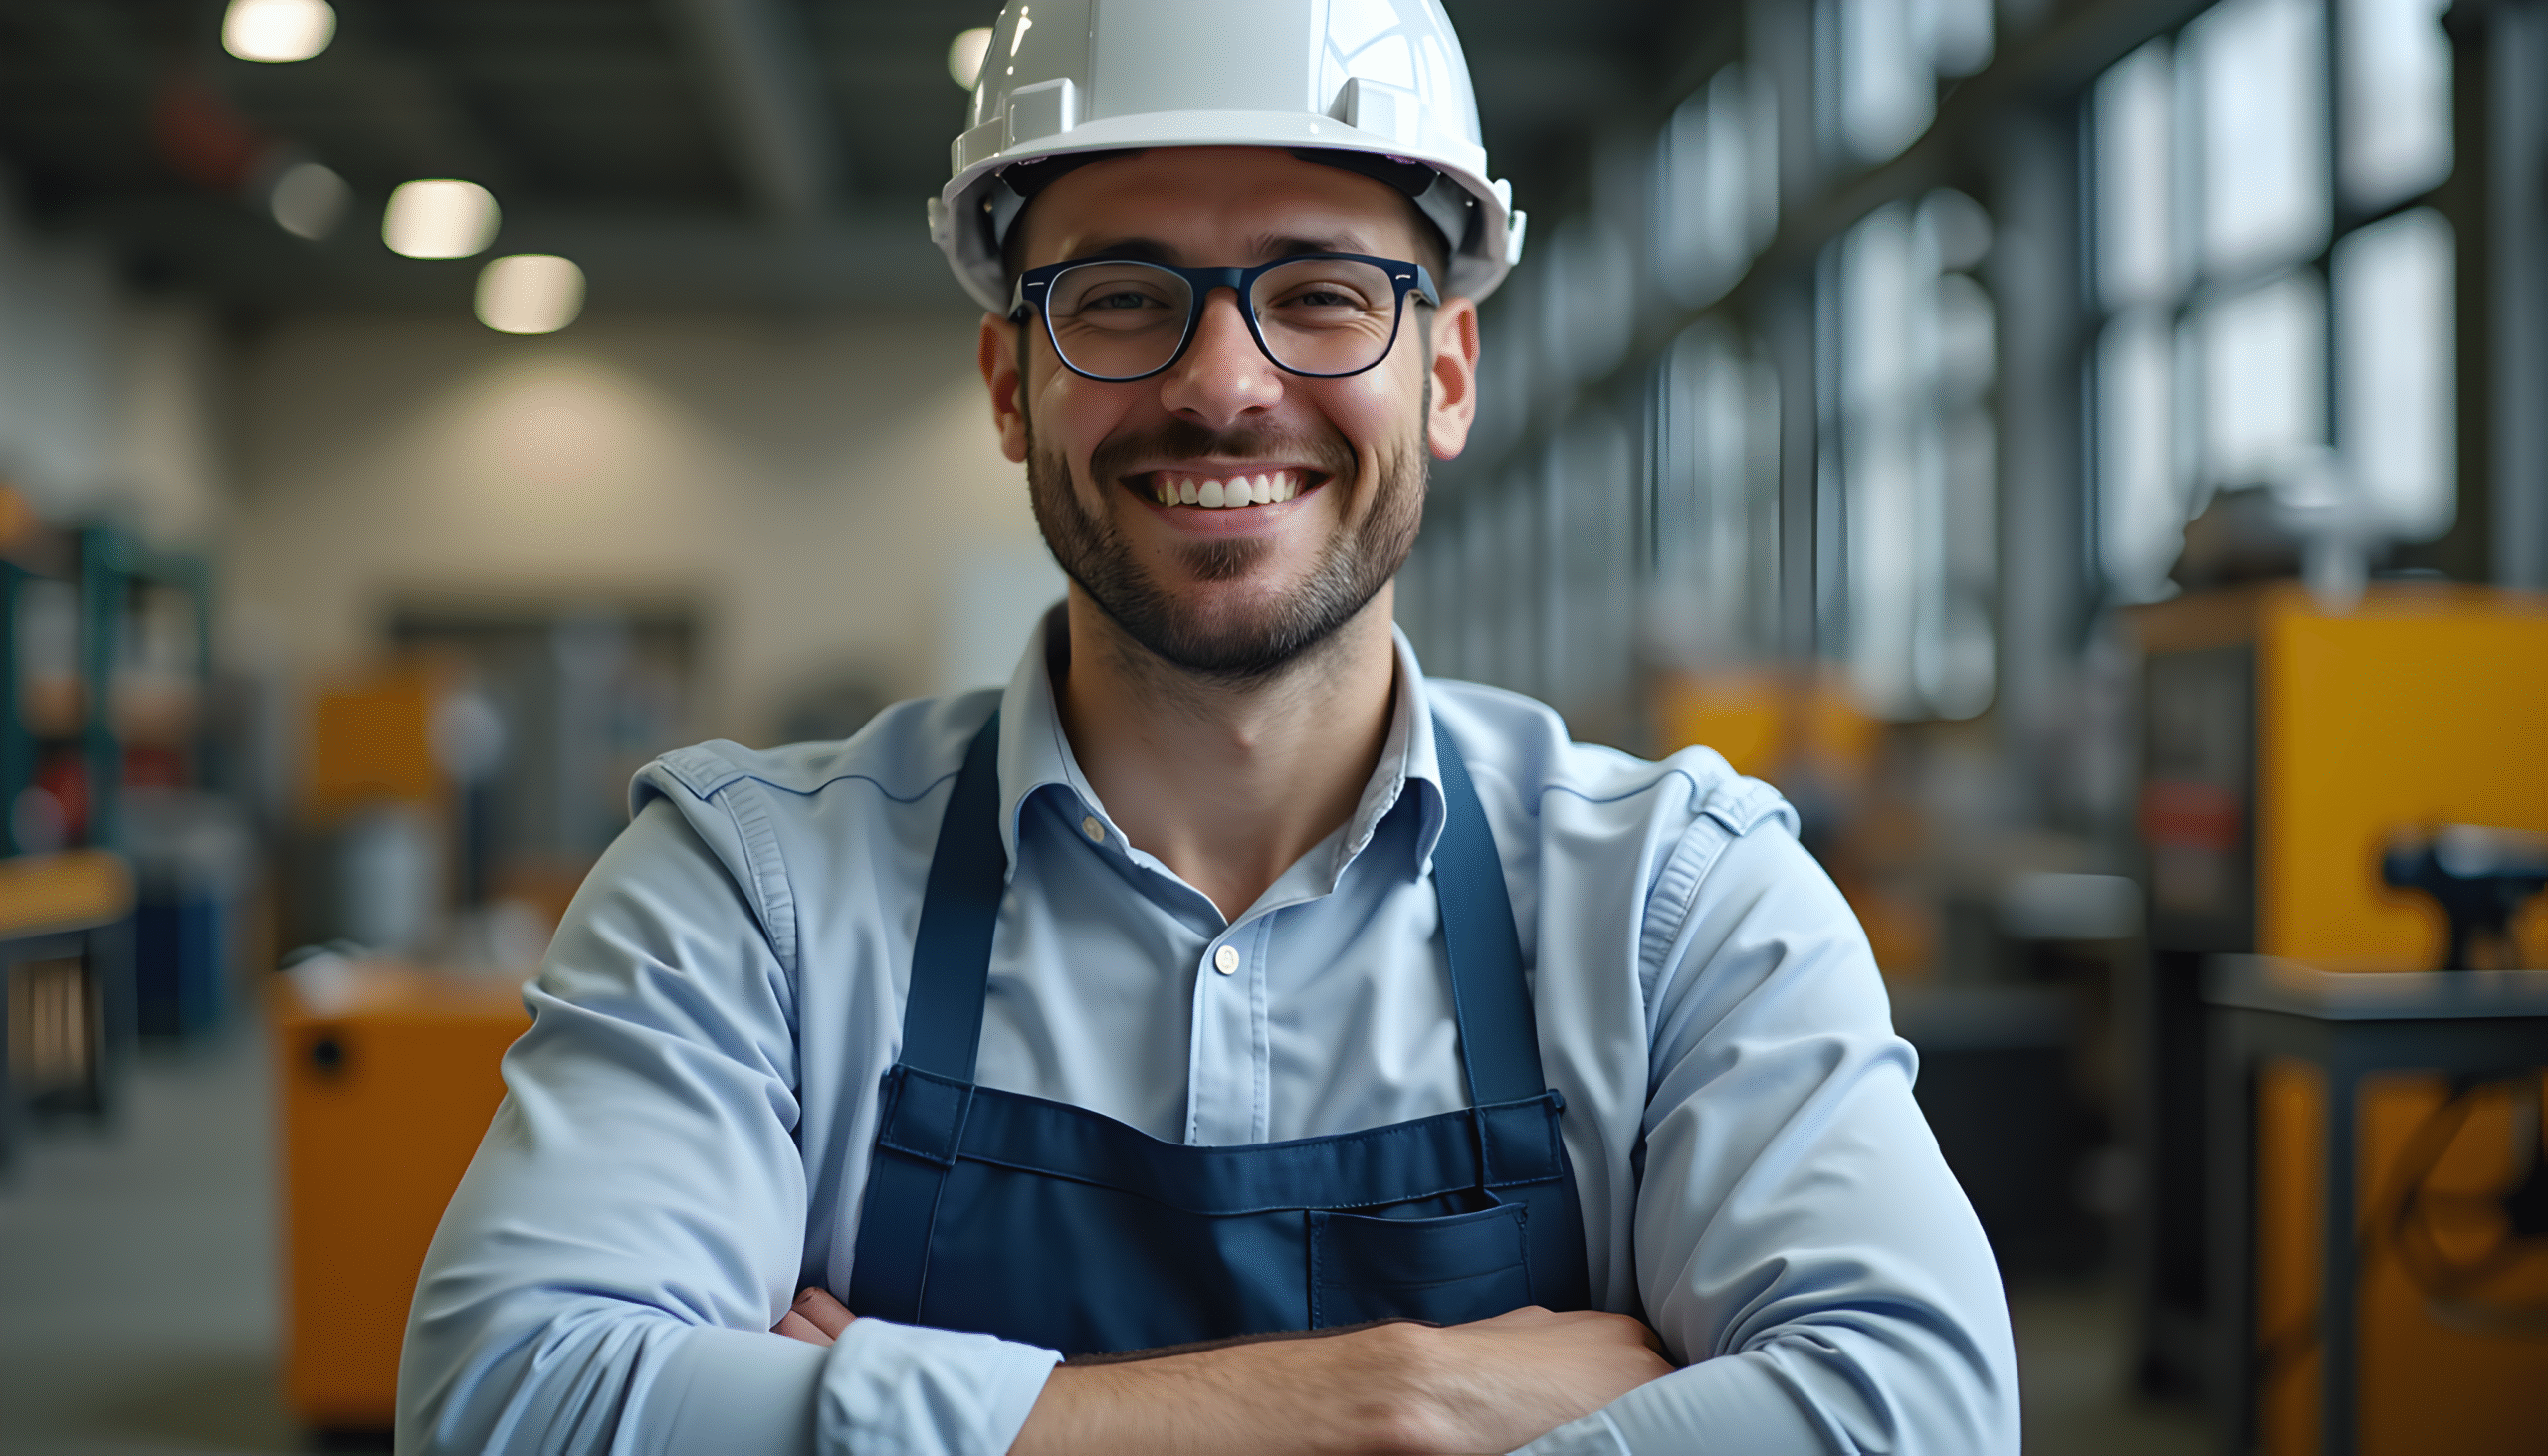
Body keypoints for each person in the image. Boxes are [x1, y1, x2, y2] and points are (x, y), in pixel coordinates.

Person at [398, 2, 2018, 1451]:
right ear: (1008, 379)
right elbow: (509, 1401)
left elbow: (1920, 1408)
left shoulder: (1674, 902)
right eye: (1119, 299)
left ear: (1447, 372)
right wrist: (1400, 1401)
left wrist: (906, 1404)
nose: (1226, 382)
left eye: (1322, 294)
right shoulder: (752, 894)